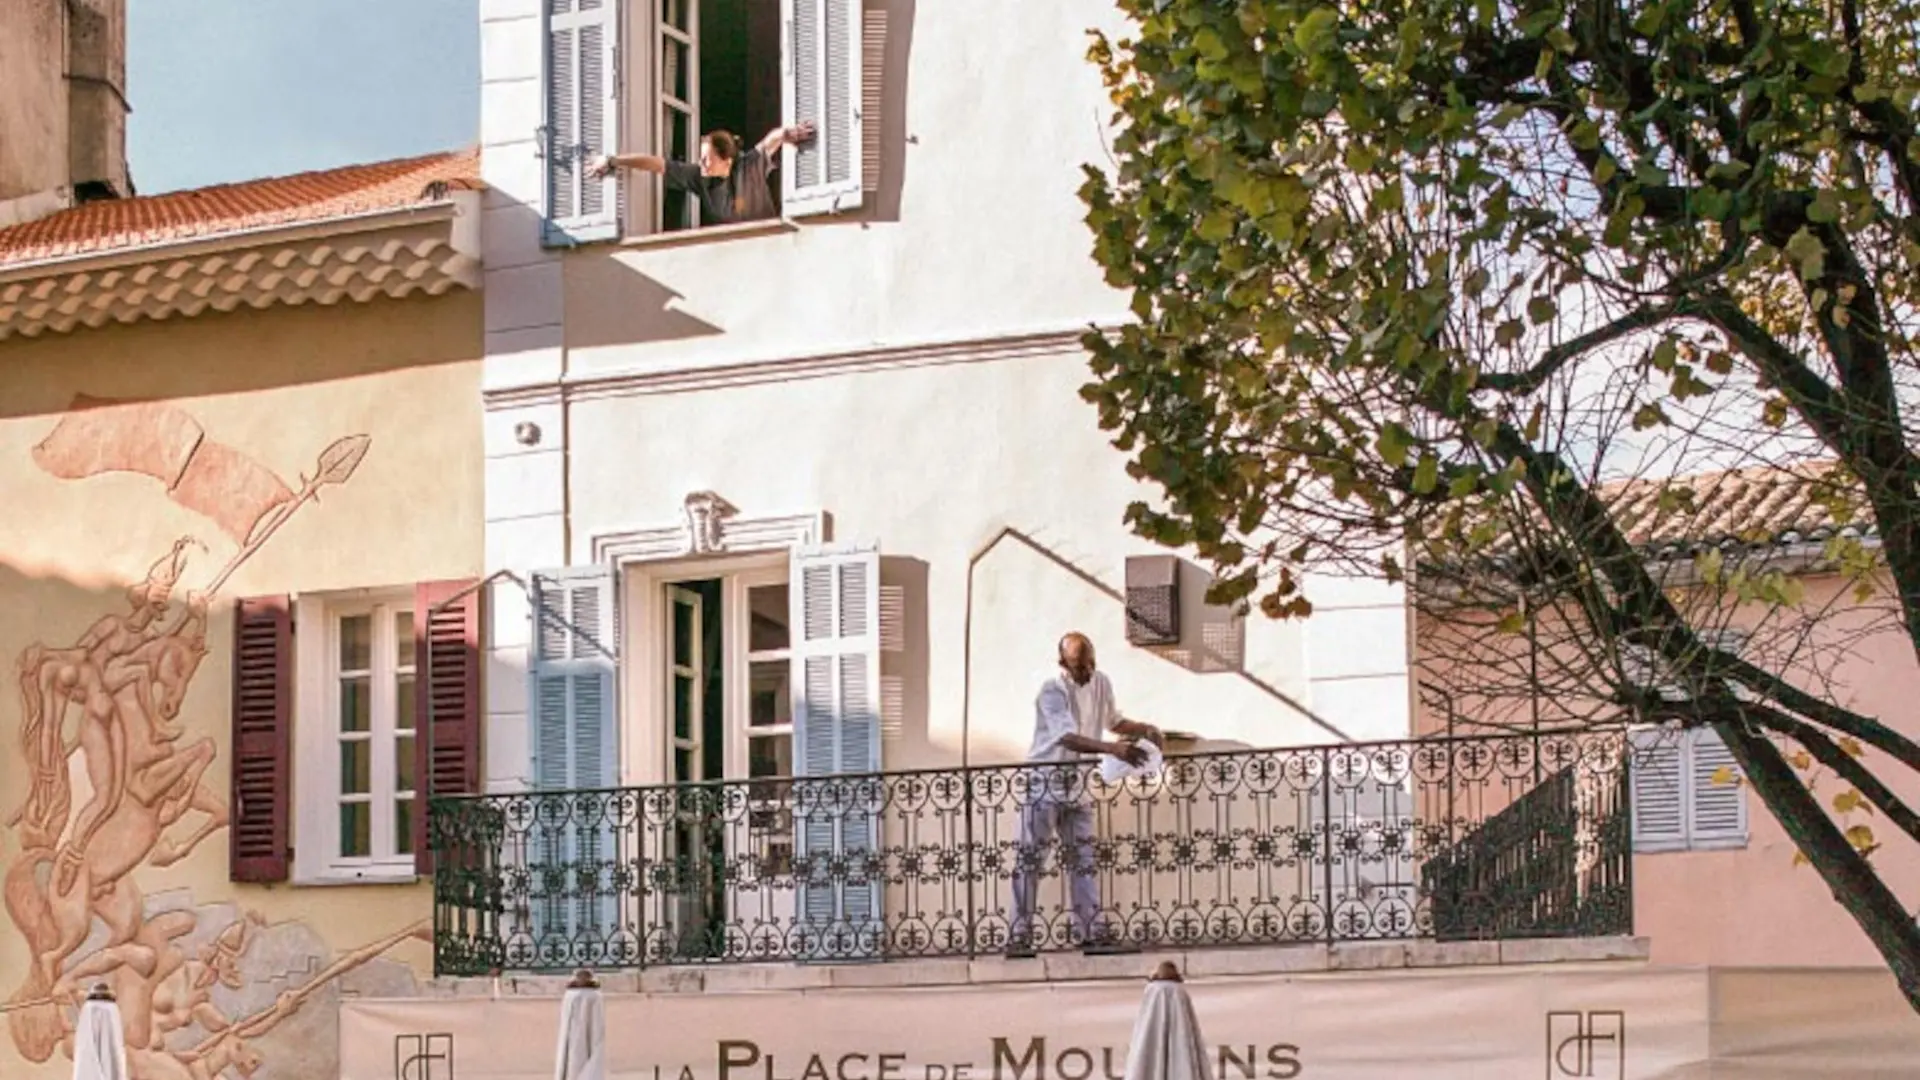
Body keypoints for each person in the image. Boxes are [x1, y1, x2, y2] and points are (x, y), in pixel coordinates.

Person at [1007, 632, 1164, 958]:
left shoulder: (1101, 682)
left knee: (1083, 860)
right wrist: (1112, 749)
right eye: (1080, 666)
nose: (1088, 671)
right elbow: (1067, 737)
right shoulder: (1052, 689)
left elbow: (1113, 720)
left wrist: (1145, 729)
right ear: (1064, 663)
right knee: (1031, 860)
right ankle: (1019, 935)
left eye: (1091, 663)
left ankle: (1091, 933)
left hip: (1078, 786)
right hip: (1044, 783)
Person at [588, 121, 815, 226]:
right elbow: (657, 164)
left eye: (707, 158)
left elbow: (770, 140)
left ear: (726, 159)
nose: (701, 163)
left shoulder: (749, 166)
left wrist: (788, 132)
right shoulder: (699, 178)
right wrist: (612, 160)